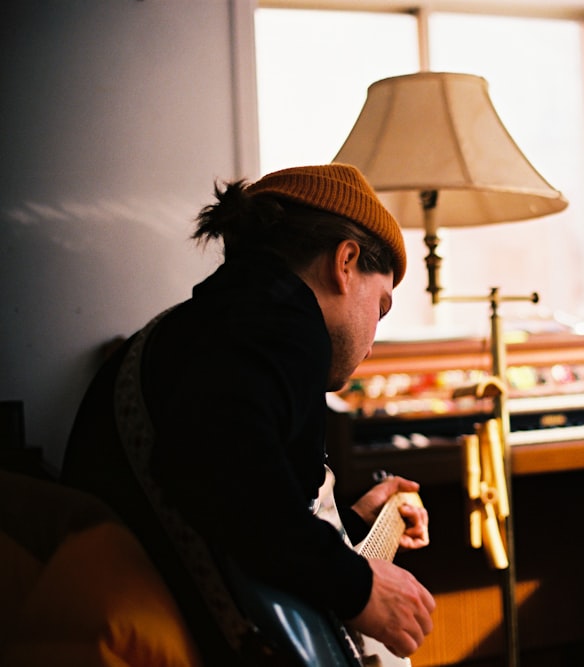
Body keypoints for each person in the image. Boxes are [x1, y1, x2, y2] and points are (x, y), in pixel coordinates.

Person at [61, 164, 435, 664]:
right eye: (381, 308)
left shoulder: (204, 328)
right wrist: (359, 587)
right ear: (344, 263)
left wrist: (354, 519)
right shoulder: (284, 321)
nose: (373, 340)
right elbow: (224, 480)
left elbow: (240, 511)